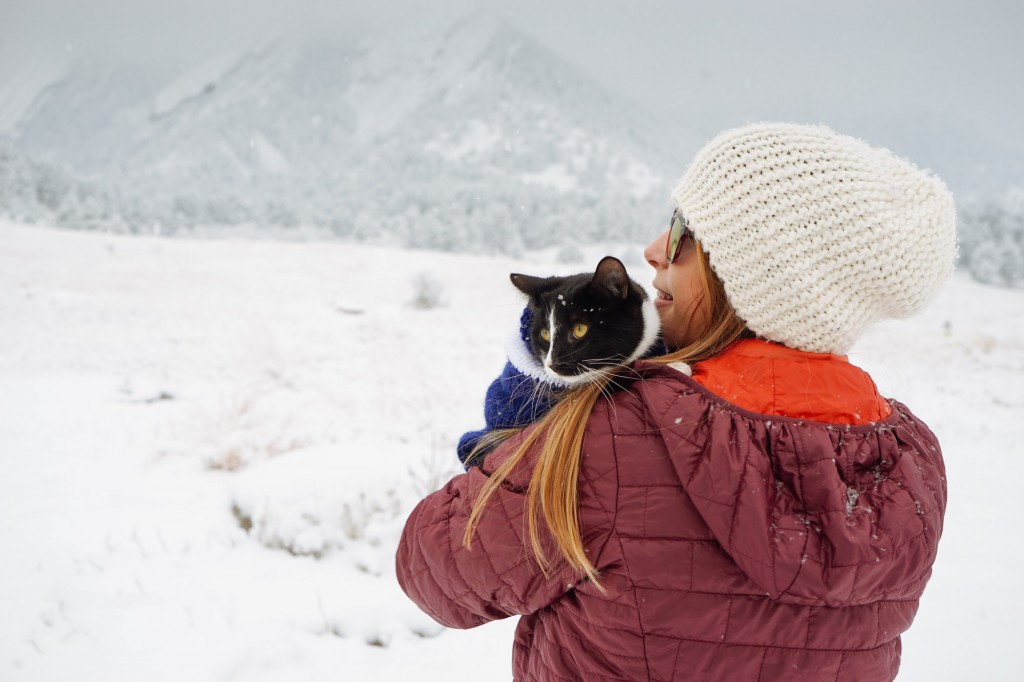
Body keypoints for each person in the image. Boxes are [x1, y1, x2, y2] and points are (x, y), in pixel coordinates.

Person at [396, 122, 956, 681]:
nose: (655, 250)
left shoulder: (624, 433)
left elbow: (434, 570)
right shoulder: (909, 460)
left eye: (685, 230)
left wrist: (529, 391)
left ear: (756, 274)